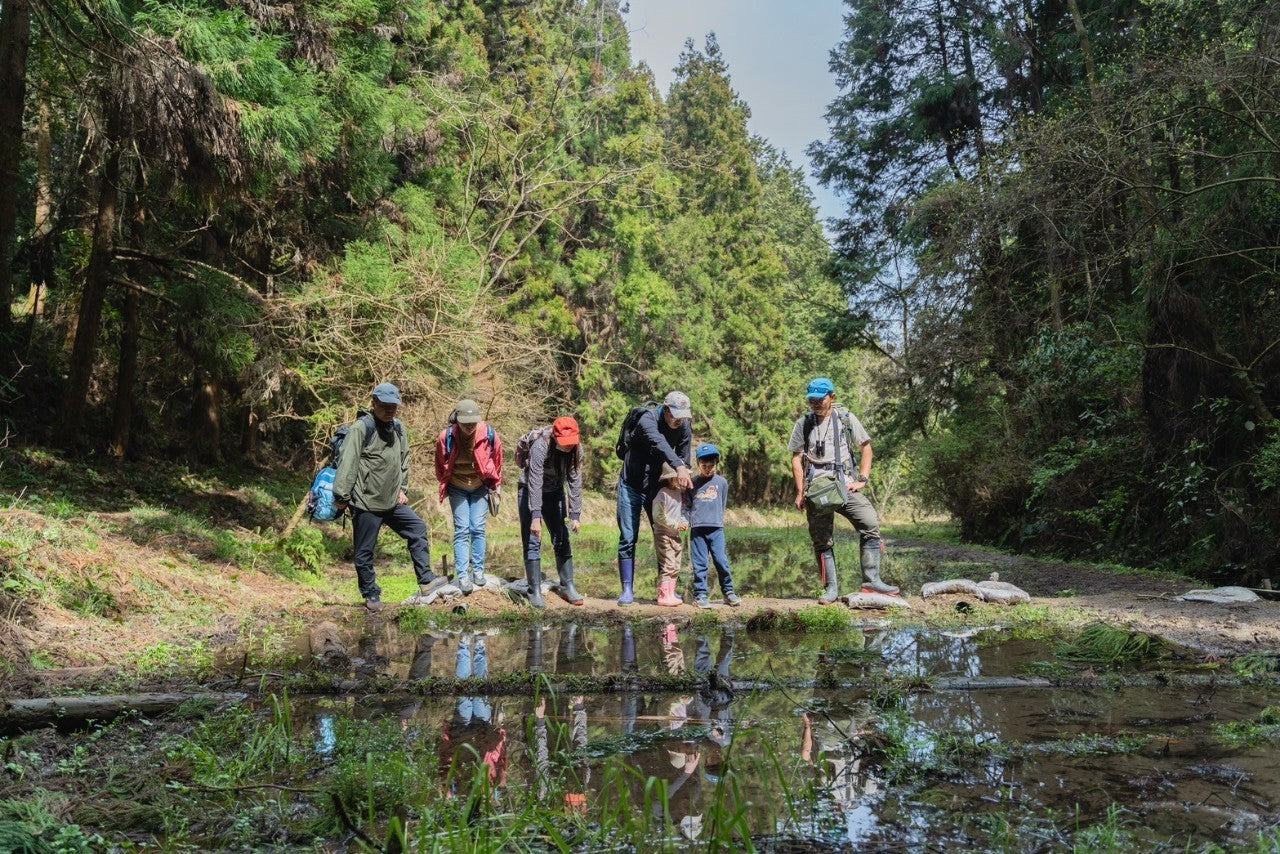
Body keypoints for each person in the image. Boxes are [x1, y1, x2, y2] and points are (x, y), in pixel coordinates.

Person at [332, 382, 448, 612]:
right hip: (366, 501)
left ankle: (426, 580)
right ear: (374, 403)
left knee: (417, 529)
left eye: (393, 406)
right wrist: (342, 496)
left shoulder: (398, 427)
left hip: (392, 501)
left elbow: (404, 459)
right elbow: (348, 463)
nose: (389, 410)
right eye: (385, 406)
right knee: (364, 551)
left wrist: (402, 488)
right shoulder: (361, 428)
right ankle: (371, 593)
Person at [788, 378, 897, 604]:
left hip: (844, 484)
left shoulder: (846, 418)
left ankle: (871, 581)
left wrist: (862, 479)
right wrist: (800, 492)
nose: (815, 403)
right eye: (811, 400)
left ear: (832, 397)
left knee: (870, 524)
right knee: (822, 540)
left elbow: (866, 448)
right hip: (816, 489)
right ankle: (831, 590)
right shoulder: (803, 423)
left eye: (820, 399)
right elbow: (796, 459)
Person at [616, 391, 694, 605]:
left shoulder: (684, 426)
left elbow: (684, 458)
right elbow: (660, 443)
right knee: (628, 537)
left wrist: (683, 476)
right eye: (676, 416)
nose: (679, 421)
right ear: (666, 410)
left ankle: (665, 590)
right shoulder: (647, 420)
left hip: (657, 487)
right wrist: (678, 466)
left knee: (665, 536)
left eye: (683, 416)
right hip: (631, 483)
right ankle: (627, 590)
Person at [435, 399, 503, 594]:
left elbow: (498, 461)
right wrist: (446, 483)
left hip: (481, 486)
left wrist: (496, 486)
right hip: (457, 487)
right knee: (462, 529)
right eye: (465, 424)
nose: (469, 427)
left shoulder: (489, 434)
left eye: (473, 423)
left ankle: (478, 571)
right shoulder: (446, 437)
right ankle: (463, 575)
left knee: (478, 528)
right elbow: (439, 465)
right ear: (457, 420)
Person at [517, 416, 585, 608]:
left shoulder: (577, 449)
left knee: (561, 537)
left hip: (555, 492)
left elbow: (575, 480)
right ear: (555, 437)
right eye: (565, 442)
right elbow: (535, 481)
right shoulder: (540, 446)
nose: (569, 446)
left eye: (572, 442)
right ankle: (534, 590)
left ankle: (567, 586)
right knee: (532, 540)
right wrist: (535, 516)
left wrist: (575, 515)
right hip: (529, 490)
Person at [688, 443, 741, 608]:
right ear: (698, 464)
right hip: (697, 529)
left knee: (721, 560)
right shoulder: (692, 483)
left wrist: (717, 519)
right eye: (704, 466)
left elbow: (722, 503)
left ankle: (728, 592)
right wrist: (687, 521)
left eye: (711, 466)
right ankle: (700, 595)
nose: (708, 469)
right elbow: (688, 505)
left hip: (716, 528)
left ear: (716, 464)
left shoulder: (722, 482)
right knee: (700, 563)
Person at [652, 463, 689, 607]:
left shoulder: (679, 493)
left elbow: (682, 510)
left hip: (675, 534)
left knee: (676, 565)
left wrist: (683, 522)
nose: (679, 479)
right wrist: (675, 524)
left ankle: (671, 593)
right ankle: (663, 595)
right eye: (676, 477)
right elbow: (658, 517)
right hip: (663, 534)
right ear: (669, 478)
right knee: (668, 564)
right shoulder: (662, 494)